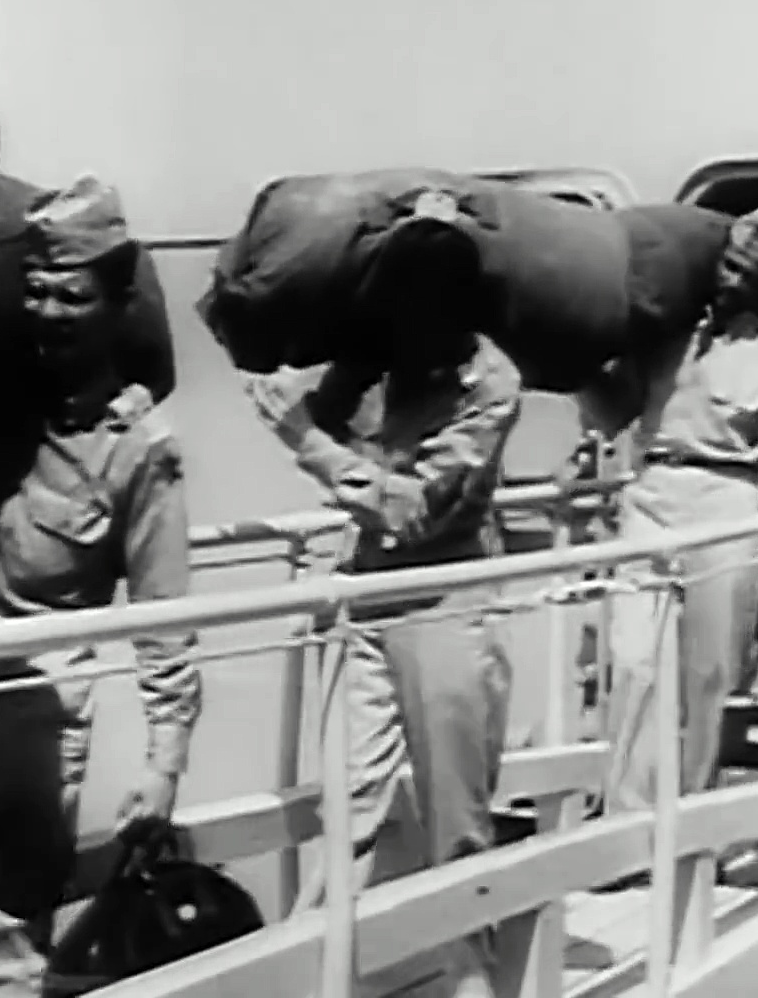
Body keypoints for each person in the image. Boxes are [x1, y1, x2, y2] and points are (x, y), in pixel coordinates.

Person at [0, 174, 203, 998]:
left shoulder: (138, 447)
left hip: (36, 716)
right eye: (35, 291)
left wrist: (164, 765)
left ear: (118, 306)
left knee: (6, 941)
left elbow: (164, 615)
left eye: (72, 297)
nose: (48, 313)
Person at [246, 191, 522, 998]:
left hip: (446, 599)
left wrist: (305, 440)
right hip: (368, 592)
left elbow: (413, 509)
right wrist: (299, 392)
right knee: (351, 800)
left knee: (455, 814)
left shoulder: (489, 383)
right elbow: (320, 409)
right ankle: (326, 977)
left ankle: (471, 980)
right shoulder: (372, 358)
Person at [596, 208, 758, 837]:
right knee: (632, 660)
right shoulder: (665, 335)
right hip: (652, 496)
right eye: (730, 266)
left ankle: (692, 826)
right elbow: (613, 410)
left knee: (710, 675)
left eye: (750, 274)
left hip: (726, 506)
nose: (733, 281)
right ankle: (627, 826)